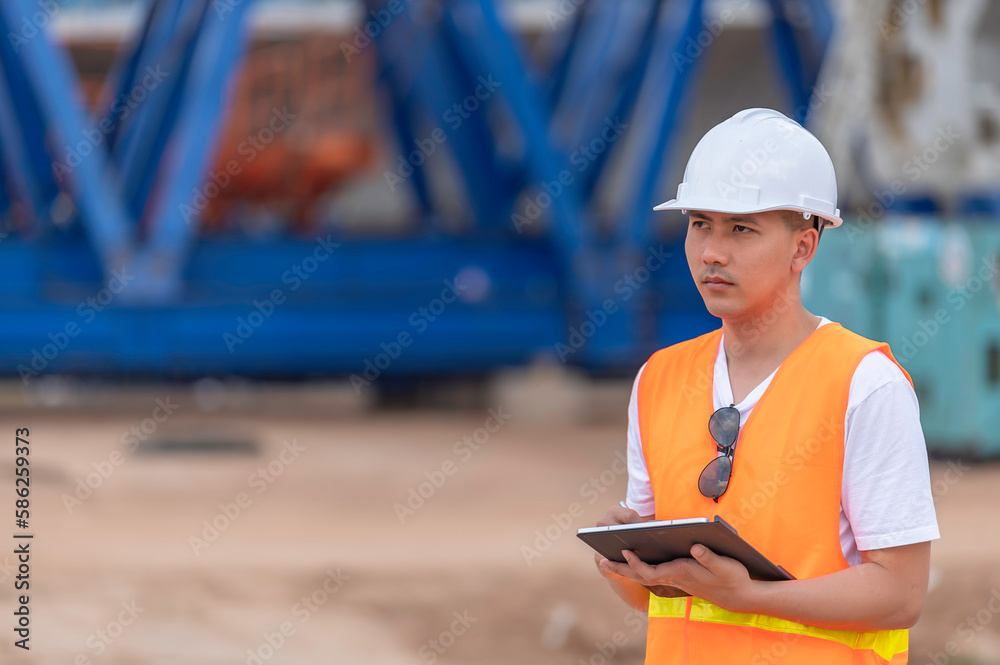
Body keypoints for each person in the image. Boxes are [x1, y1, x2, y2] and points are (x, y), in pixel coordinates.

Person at [593, 108, 939, 664]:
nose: (711, 251)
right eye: (700, 223)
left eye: (741, 229)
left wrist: (750, 597)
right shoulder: (660, 378)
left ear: (803, 247)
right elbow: (655, 599)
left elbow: (900, 595)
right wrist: (623, 563)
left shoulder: (863, 383)